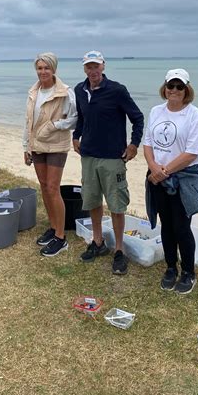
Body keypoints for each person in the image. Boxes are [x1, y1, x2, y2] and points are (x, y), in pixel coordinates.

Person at [73, 50, 144, 275]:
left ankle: (119, 250)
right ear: (84, 68)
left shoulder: (117, 90)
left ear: (103, 66)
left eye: (96, 66)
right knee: (93, 201)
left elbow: (138, 117)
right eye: (88, 66)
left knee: (116, 205)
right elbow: (82, 118)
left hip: (113, 158)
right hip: (89, 156)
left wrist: (133, 145)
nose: (92, 70)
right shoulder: (80, 90)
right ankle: (98, 242)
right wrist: (76, 136)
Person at [143, 68, 198, 295]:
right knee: (166, 225)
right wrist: (154, 168)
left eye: (179, 86)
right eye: (170, 86)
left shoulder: (194, 115)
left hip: (182, 179)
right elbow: (148, 143)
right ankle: (171, 267)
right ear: (164, 88)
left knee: (182, 227)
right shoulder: (155, 111)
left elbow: (193, 152)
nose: (174, 90)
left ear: (186, 90)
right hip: (157, 177)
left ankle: (188, 272)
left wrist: (165, 171)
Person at [23, 53, 77, 257]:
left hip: (55, 145)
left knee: (54, 188)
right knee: (44, 187)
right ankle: (54, 227)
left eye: (47, 67)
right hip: (36, 145)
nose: (43, 71)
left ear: (54, 69)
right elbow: (28, 121)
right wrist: (25, 146)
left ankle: (61, 237)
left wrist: (54, 126)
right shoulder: (33, 91)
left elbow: (74, 119)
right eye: (39, 68)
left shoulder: (65, 92)